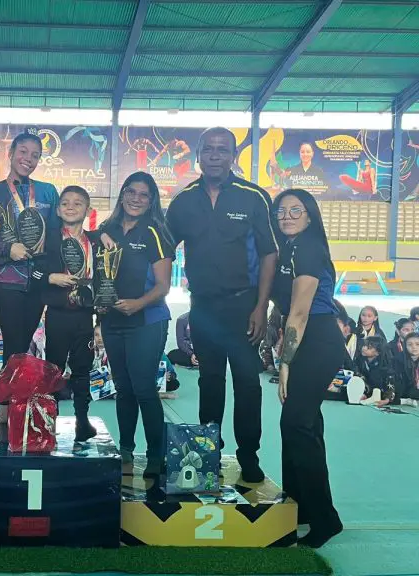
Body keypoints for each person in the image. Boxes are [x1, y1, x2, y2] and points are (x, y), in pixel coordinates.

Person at [165, 127, 278, 483]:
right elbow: (162, 249)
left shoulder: (253, 197)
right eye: (209, 149)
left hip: (244, 308)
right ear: (199, 155)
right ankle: (206, 453)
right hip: (203, 309)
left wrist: (261, 307)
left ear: (233, 156)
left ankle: (249, 455)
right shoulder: (183, 201)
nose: (215, 155)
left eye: (222, 150)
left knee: (248, 383)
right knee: (210, 383)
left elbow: (269, 254)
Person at [0, 129, 60, 423]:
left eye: (35, 155)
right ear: (10, 154)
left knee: (26, 344)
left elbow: (60, 234)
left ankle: (18, 399)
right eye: (23, 152)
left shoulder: (48, 192)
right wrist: (7, 248)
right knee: (12, 343)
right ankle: (9, 403)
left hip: (37, 280)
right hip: (6, 280)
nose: (29, 159)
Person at [271, 188, 343, 548]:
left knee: (296, 422)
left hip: (318, 341)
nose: (286, 215)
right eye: (281, 210)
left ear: (310, 216)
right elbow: (283, 306)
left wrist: (284, 365)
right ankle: (299, 507)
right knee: (304, 424)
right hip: (306, 340)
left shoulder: (310, 247)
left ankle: (325, 518)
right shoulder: (288, 248)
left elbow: (299, 311)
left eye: (295, 210)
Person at [97, 171, 176, 477]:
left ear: (151, 200)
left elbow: (163, 286)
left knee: (144, 388)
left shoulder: (155, 231)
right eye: (131, 192)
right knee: (123, 388)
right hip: (113, 321)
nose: (136, 199)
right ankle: (126, 449)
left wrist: (137, 305)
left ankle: (156, 454)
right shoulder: (108, 229)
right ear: (122, 194)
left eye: (144, 195)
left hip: (147, 319)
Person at [39, 185, 99, 440]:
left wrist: (101, 319)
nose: (71, 207)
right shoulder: (48, 238)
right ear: (58, 209)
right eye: (65, 203)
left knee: (82, 369)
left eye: (78, 203)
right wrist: (51, 278)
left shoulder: (96, 241)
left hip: (84, 314)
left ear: (88, 209)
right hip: (58, 313)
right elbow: (32, 271)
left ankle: (82, 420)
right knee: (52, 369)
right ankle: (48, 421)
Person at [395, 332, 419, 405]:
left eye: (418, 344)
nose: (414, 347)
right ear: (405, 346)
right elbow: (400, 384)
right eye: (410, 344)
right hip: (406, 390)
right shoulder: (398, 360)